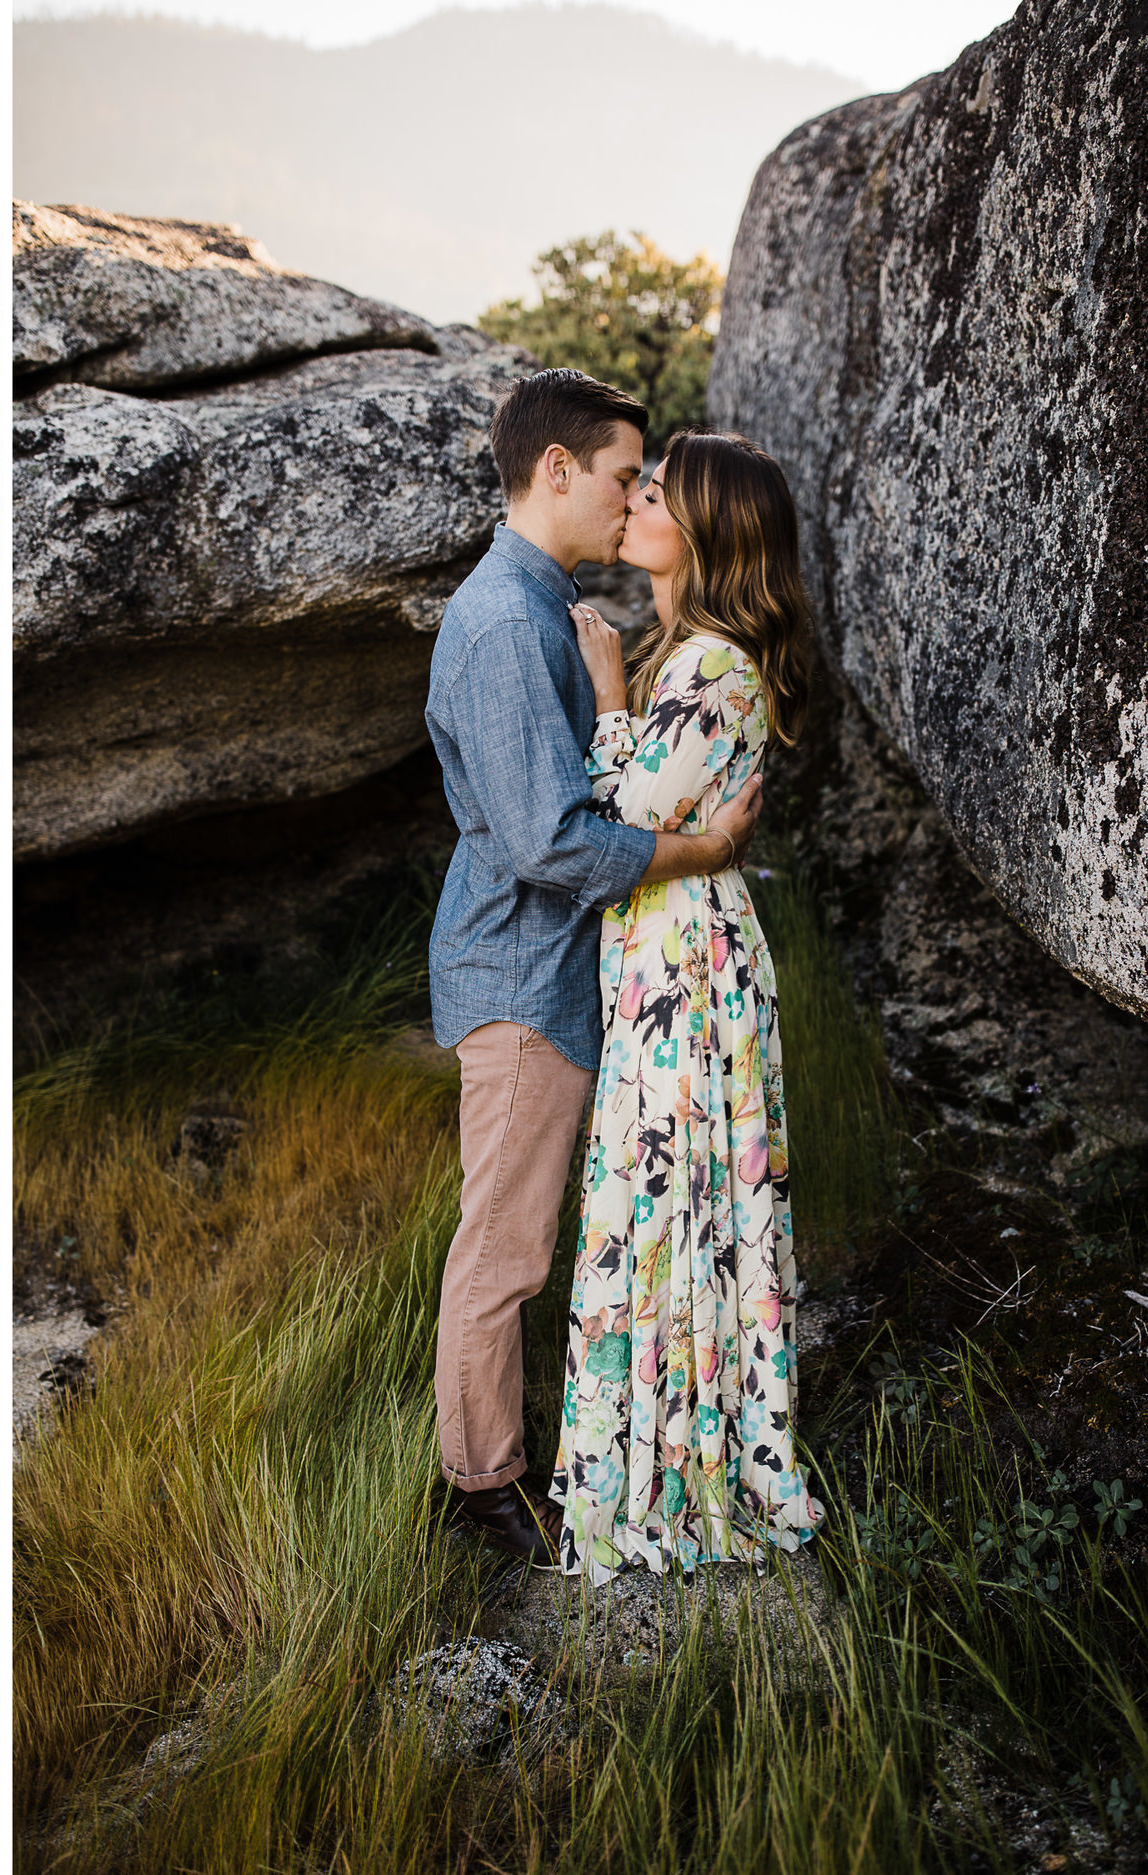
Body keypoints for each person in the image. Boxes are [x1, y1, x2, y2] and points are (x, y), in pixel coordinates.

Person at [424, 370, 762, 1565]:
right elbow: (550, 840)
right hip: (521, 979)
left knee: (525, 1238)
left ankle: (534, 1460)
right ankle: (482, 1492)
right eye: (624, 477)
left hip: (548, 973)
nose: (631, 503)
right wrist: (703, 846)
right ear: (555, 470)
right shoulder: (509, 623)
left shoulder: (538, 605)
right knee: (506, 1247)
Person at [548, 429, 821, 1579]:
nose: (637, 498)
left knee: (665, 1207)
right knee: (666, 1207)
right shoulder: (688, 654)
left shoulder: (707, 664)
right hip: (667, 961)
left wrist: (608, 696)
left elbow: (615, 823)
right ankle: (657, 1453)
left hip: (686, 975)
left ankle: (672, 1478)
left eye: (656, 490)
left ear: (704, 531)